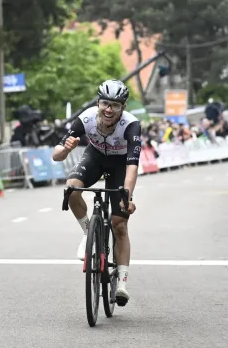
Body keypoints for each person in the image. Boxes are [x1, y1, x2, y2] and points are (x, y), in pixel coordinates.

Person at [52, 79, 140, 307]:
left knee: (119, 223)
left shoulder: (132, 126)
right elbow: (56, 155)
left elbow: (132, 166)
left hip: (120, 164)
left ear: (123, 107)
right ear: (98, 102)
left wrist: (127, 197)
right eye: (105, 104)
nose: (109, 110)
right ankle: (87, 231)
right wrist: (66, 149)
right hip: (96, 157)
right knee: (71, 188)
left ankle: (121, 283)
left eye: (115, 105)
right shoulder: (86, 118)